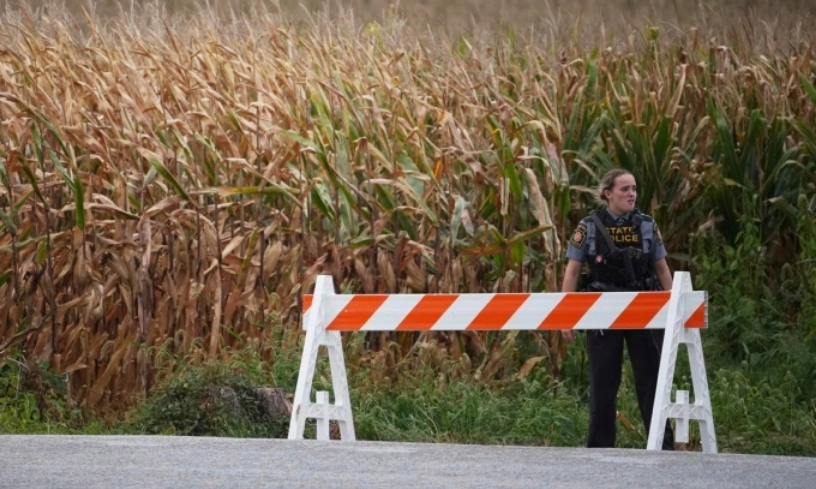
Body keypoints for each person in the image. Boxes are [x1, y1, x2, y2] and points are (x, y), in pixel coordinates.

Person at [561, 169, 675, 450]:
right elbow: (572, 273)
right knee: (603, 382)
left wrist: (674, 314)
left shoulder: (647, 225)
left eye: (634, 188)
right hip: (602, 311)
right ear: (607, 194)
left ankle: (663, 446)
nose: (631, 194)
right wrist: (567, 317)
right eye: (624, 189)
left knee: (651, 382)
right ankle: (600, 447)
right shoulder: (587, 227)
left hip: (645, 311)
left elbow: (662, 270)